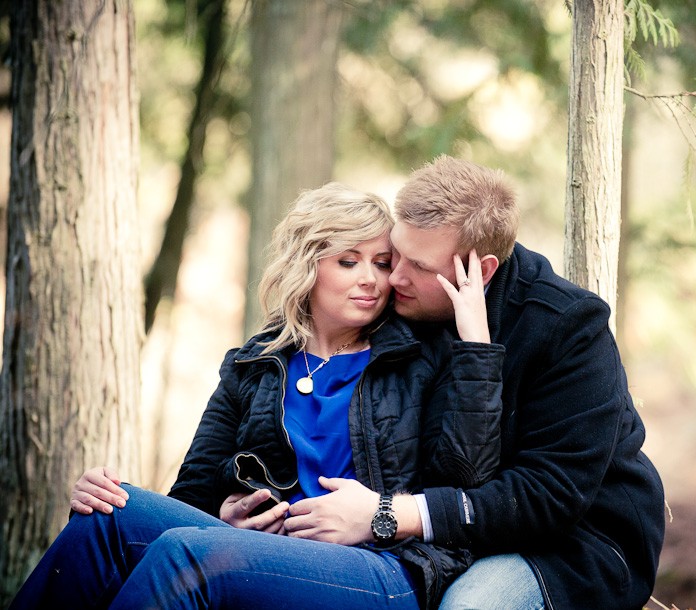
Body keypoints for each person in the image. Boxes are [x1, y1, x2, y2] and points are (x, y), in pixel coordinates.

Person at [11, 182, 505, 610]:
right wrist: (223, 519)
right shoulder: (254, 364)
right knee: (107, 518)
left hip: (384, 567)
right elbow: (192, 494)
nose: (371, 280)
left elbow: (465, 481)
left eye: (382, 263)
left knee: (189, 556)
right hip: (271, 554)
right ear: (306, 265)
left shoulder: (417, 356)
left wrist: (476, 348)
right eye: (348, 261)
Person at [291, 156, 667, 609]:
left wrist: (388, 513)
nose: (395, 278)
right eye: (397, 255)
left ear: (482, 270)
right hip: (442, 542)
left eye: (420, 267)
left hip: (569, 546)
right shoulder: (412, 302)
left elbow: (550, 496)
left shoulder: (569, 326)